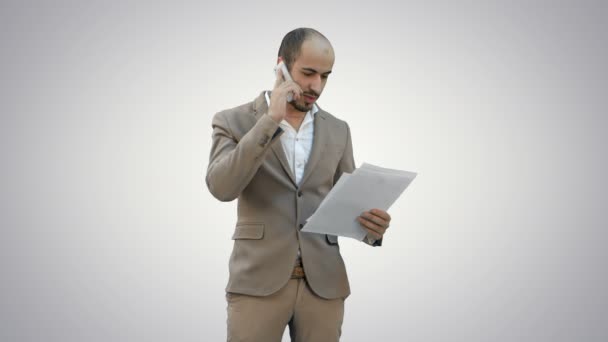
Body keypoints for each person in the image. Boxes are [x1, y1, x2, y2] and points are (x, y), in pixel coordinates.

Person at [206, 28, 392, 342]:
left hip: (324, 285)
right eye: (308, 73)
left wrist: (371, 228)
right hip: (257, 283)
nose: (316, 86)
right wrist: (270, 119)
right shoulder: (232, 121)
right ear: (281, 65)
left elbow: (345, 203)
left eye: (325, 76)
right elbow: (221, 187)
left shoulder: (338, 130)